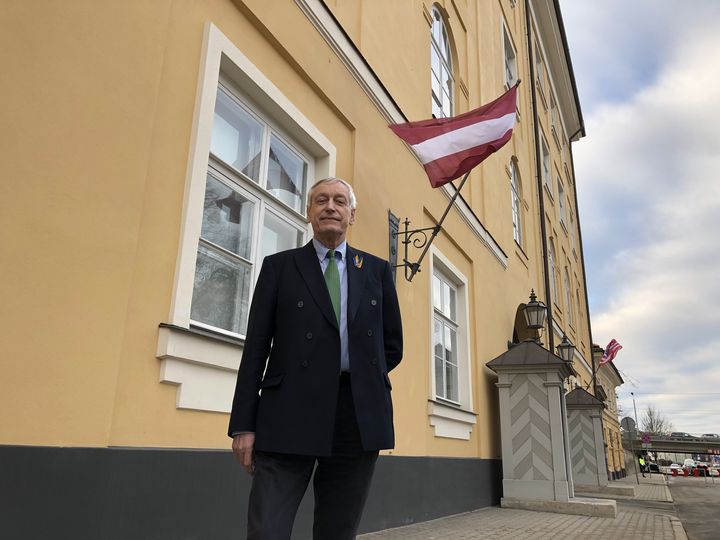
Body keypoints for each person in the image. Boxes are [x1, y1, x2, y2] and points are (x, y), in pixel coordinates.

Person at [228, 177, 403, 540]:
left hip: (355, 418)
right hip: (286, 410)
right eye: (321, 200)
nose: (330, 206)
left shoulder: (375, 271)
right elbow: (256, 347)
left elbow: (391, 346)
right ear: (309, 213)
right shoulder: (280, 267)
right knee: (267, 529)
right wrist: (244, 424)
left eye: (340, 201)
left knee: (338, 531)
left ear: (352, 214)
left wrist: (359, 378)